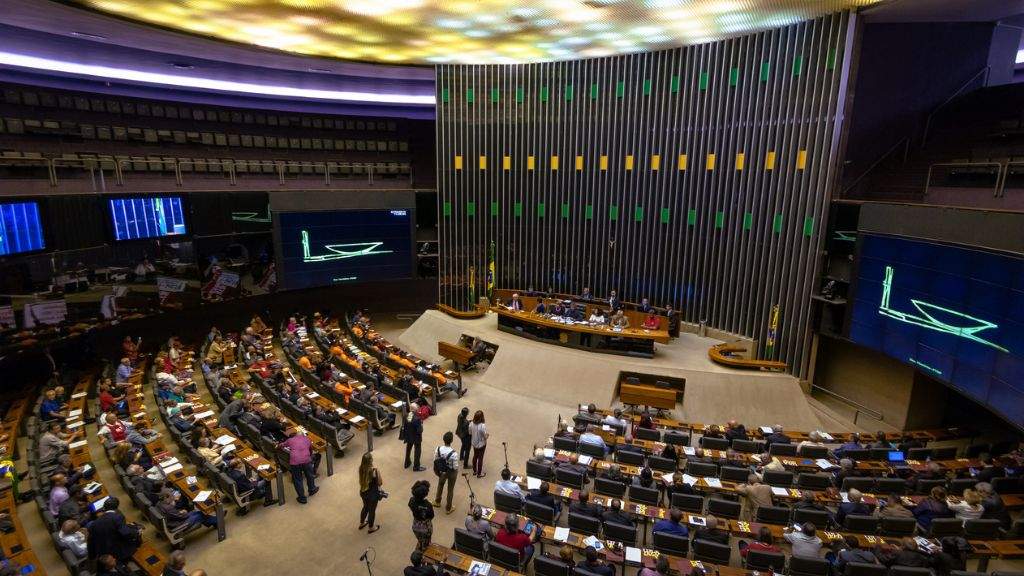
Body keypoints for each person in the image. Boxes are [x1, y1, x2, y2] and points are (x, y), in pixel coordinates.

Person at [87, 497, 141, 563]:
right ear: (116, 507)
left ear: (104, 508)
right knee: (136, 533)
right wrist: (137, 532)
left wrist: (91, 557)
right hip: (117, 552)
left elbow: (90, 541)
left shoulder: (93, 524)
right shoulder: (117, 517)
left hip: (103, 553)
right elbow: (126, 533)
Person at [279, 428, 317, 504]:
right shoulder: (307, 439)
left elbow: (281, 445)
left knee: (297, 480)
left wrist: (278, 445)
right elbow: (310, 450)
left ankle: (302, 498)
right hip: (306, 460)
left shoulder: (290, 440)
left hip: (295, 462)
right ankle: (312, 489)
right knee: (309, 475)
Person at [432, 431, 459, 513]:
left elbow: (435, 460)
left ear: (444, 439)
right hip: (451, 472)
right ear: (451, 441)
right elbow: (455, 466)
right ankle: (448, 508)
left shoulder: (438, 449)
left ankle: (437, 501)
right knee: (450, 489)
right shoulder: (454, 453)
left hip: (442, 471)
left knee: (440, 485)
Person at [358, 452, 382, 533]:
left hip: (363, 492)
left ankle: (362, 523)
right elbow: (380, 483)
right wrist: (378, 471)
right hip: (372, 494)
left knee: (365, 507)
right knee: (372, 510)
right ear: (370, 460)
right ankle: (371, 527)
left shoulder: (361, 468)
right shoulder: (374, 471)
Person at [409, 479, 435, 551]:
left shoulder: (411, 500)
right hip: (425, 527)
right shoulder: (428, 505)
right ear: (425, 494)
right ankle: (422, 552)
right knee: (426, 544)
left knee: (420, 539)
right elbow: (431, 516)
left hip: (415, 525)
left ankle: (420, 544)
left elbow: (410, 506)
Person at [469, 410, 488, 478]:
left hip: (474, 443)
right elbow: (485, 436)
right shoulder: (482, 426)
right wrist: (487, 435)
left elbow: (470, 433)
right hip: (481, 444)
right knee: (480, 458)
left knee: (475, 456)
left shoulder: (471, 423)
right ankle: (479, 474)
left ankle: (474, 471)